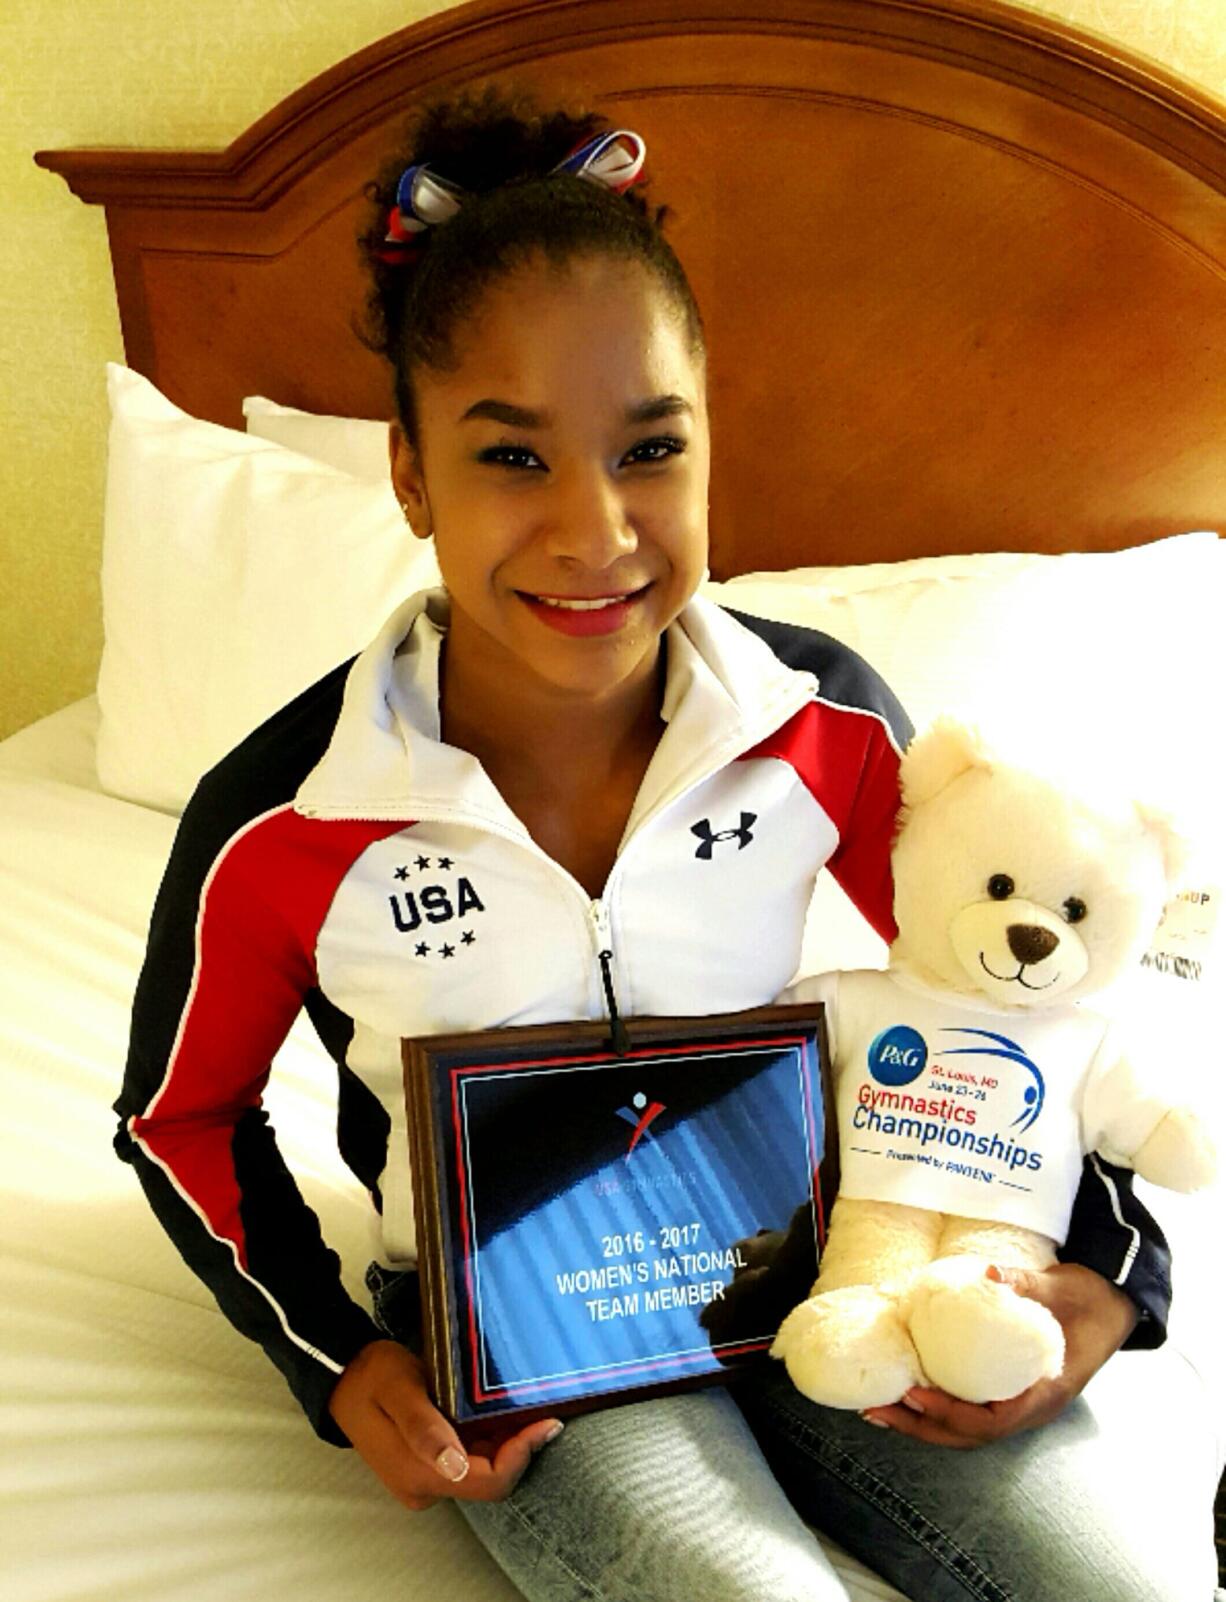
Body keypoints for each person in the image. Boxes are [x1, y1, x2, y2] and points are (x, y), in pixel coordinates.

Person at [115, 85, 1221, 1602]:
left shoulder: (824, 722)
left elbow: (1006, 986)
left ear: (709, 444)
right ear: (408, 470)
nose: (595, 529)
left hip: (838, 1256)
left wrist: (1106, 1280)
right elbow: (180, 1117)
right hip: (532, 1332)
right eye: (511, 458)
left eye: (649, 450)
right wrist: (341, 1354)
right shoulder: (285, 815)